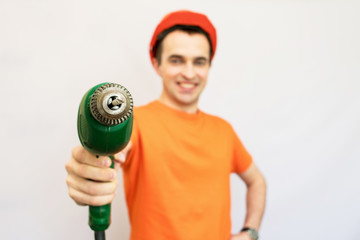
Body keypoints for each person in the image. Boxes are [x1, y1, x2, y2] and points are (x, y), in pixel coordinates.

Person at [65, 10, 266, 240]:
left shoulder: (224, 131)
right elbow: (113, 152)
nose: (189, 73)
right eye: (176, 60)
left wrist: (250, 232)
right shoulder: (135, 123)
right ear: (156, 63)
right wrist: (88, 170)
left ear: (209, 66)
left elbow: (257, 181)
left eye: (199, 62)